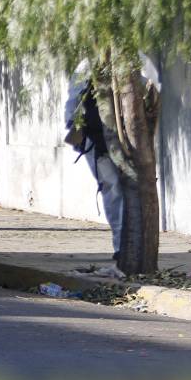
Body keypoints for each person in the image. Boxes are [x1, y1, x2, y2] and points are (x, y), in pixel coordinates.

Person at [65, 62, 123, 263]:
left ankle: (124, 245)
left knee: (117, 191)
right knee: (113, 189)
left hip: (121, 140)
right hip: (97, 142)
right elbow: (74, 101)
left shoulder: (135, 60)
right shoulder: (86, 66)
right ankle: (121, 246)